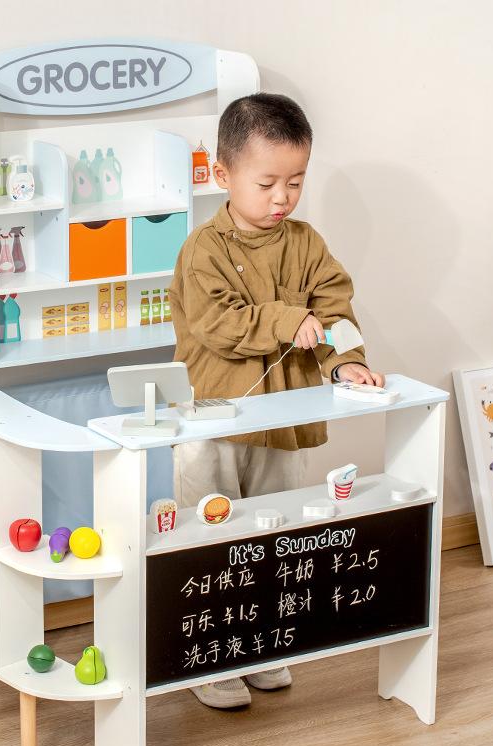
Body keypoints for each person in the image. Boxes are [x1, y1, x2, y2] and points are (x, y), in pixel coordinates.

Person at [168, 93, 385, 709]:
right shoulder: (203, 250)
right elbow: (218, 324)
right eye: (266, 184)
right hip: (214, 422)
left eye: (295, 182)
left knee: (276, 535)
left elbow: (335, 308)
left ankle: (261, 646)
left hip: (285, 422)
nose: (281, 198)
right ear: (223, 174)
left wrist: (346, 361)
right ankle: (209, 658)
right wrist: (289, 320)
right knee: (210, 535)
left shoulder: (307, 243)